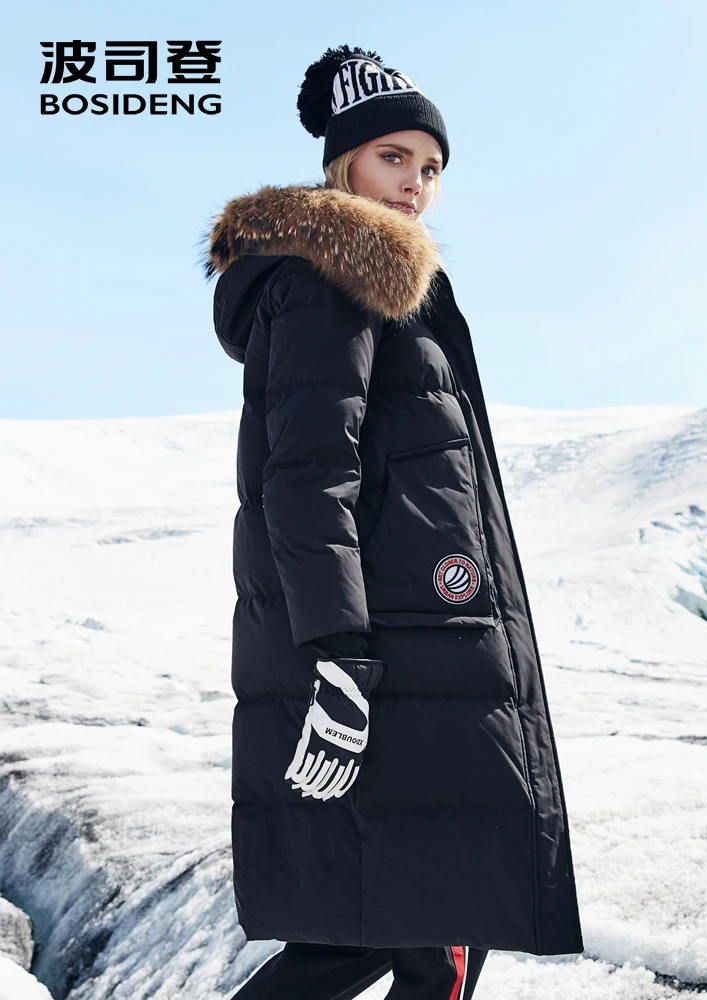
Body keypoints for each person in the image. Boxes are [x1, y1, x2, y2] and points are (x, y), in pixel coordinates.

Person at [201, 45, 584, 1000]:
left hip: (414, 656)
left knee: (381, 925)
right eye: (393, 158)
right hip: (397, 660)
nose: (415, 184)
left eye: (431, 167)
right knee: (438, 923)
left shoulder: (372, 285)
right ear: (345, 165)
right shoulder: (337, 276)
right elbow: (306, 479)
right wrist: (340, 658)